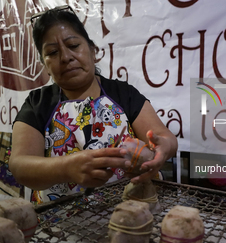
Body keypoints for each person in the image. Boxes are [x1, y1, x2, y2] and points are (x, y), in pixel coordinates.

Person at [8, 5, 178, 203]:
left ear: (93, 51)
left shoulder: (123, 94)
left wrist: (163, 147)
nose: (65, 57)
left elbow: (166, 139)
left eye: (73, 46)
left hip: (132, 213)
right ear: (44, 65)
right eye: (53, 52)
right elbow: (19, 165)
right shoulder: (38, 104)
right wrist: (66, 167)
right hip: (62, 224)